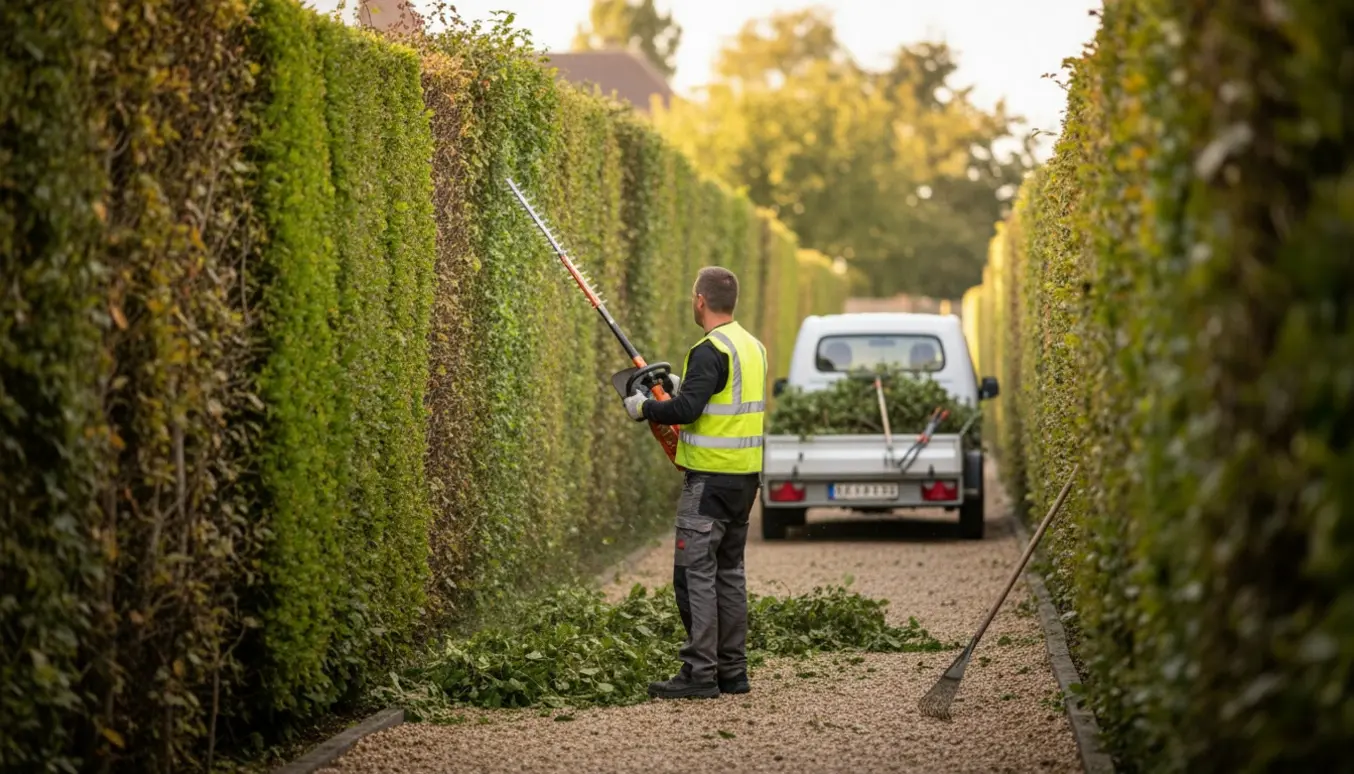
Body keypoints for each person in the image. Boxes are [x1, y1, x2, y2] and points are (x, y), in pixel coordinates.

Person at [622, 266, 768, 700]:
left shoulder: (708, 349)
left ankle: (700, 672)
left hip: (708, 482)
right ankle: (732, 672)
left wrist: (642, 407)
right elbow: (717, 396)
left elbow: (685, 412)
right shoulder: (751, 346)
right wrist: (681, 386)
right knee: (729, 573)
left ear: (700, 300)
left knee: (694, 576)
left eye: (692, 297)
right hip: (744, 482)